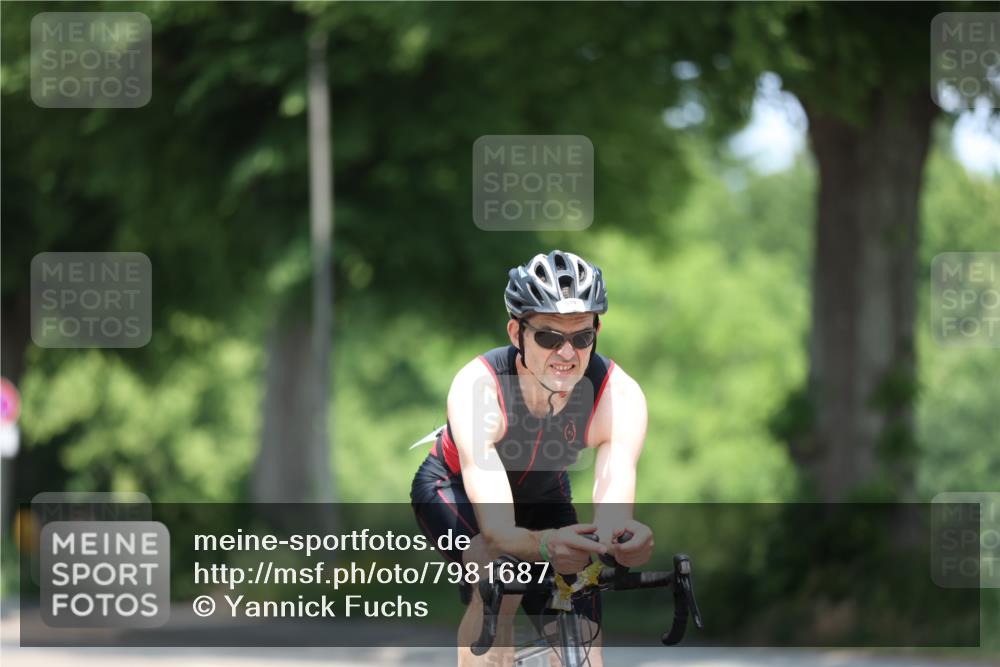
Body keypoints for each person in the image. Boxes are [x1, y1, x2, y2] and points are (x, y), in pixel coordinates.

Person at [411, 250, 653, 666]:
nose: (566, 352)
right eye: (548, 337)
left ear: (596, 332)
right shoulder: (479, 389)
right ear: (516, 332)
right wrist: (545, 544)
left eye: (581, 337)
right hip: (454, 489)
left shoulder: (618, 395)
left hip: (543, 492)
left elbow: (612, 507)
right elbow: (500, 530)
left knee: (579, 603)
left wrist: (623, 541)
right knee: (499, 577)